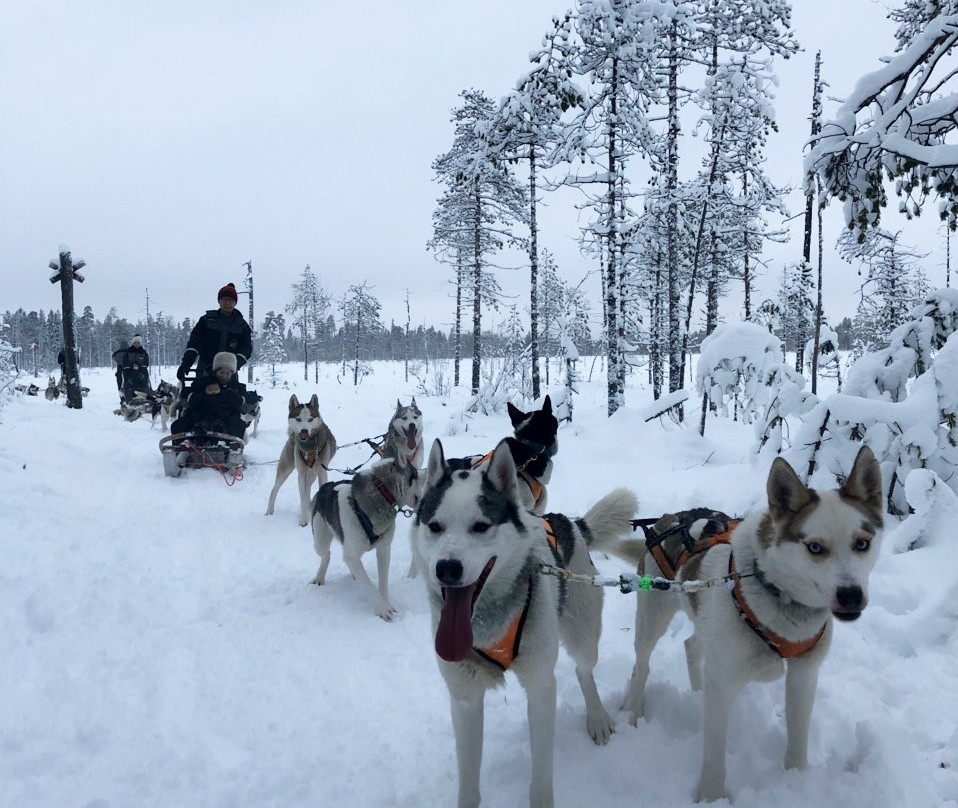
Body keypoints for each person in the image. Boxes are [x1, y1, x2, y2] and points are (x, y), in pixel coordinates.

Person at [176, 283, 252, 381]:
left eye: (231, 300)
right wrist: (186, 363)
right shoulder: (206, 321)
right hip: (205, 370)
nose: (227, 303)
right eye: (224, 300)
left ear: (235, 303)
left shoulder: (242, 326)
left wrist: (233, 364)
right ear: (219, 301)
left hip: (228, 373)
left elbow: (246, 349)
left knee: (230, 396)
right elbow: (194, 344)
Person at [170, 351, 248, 439]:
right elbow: (186, 394)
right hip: (201, 414)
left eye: (227, 373)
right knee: (179, 424)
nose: (224, 376)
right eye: (221, 373)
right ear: (215, 371)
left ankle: (233, 446)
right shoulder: (203, 382)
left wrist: (232, 398)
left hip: (226, 416)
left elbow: (244, 404)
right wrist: (200, 398)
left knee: (237, 424)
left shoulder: (237, 387)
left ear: (232, 374)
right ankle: (181, 444)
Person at [122, 334, 152, 402]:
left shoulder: (143, 353)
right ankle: (128, 401)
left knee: (144, 387)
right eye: (135, 343)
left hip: (141, 374)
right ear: (132, 343)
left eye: (138, 343)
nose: (136, 344)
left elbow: (146, 363)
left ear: (140, 344)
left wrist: (139, 368)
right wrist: (132, 367)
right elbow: (125, 364)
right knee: (129, 387)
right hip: (130, 374)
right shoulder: (128, 352)